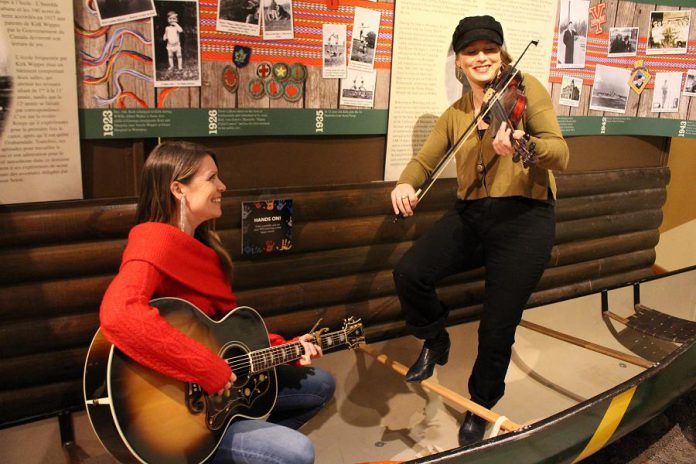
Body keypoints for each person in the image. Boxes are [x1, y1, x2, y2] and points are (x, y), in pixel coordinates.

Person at [390, 15, 569, 447]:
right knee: (410, 272)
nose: (482, 57)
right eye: (471, 51)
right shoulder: (457, 114)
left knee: (497, 326)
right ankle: (435, 338)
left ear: (502, 54)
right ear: (459, 61)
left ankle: (480, 405)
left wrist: (525, 147)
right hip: (473, 215)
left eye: (490, 49)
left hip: (526, 219)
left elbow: (560, 153)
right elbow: (425, 159)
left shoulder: (527, 92)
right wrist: (404, 182)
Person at [100, 141, 335, 464]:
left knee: (320, 385)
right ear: (178, 189)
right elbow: (119, 314)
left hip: (221, 394)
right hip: (182, 410)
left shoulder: (201, 246)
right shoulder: (154, 244)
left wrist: (287, 347)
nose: (222, 186)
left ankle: (240, 438)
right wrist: (204, 367)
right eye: (212, 178)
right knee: (297, 452)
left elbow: (227, 331)